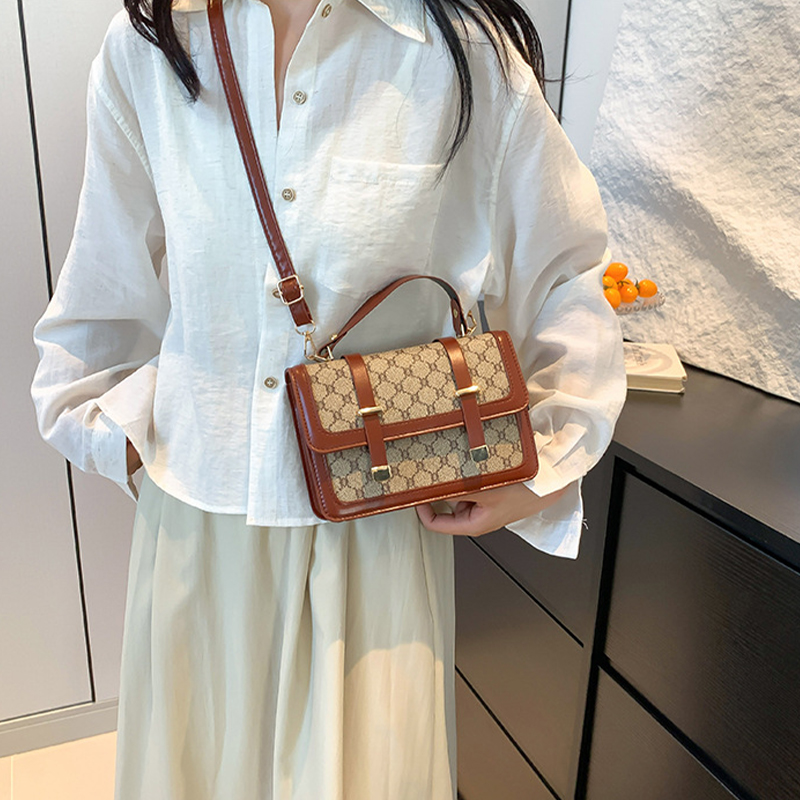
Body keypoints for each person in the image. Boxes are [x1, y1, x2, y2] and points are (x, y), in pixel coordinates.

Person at [29, 0, 626, 797]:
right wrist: (117, 436)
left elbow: (567, 273)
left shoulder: (462, 54)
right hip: (198, 532)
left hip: (377, 537)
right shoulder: (155, 46)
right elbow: (103, 279)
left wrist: (543, 463)